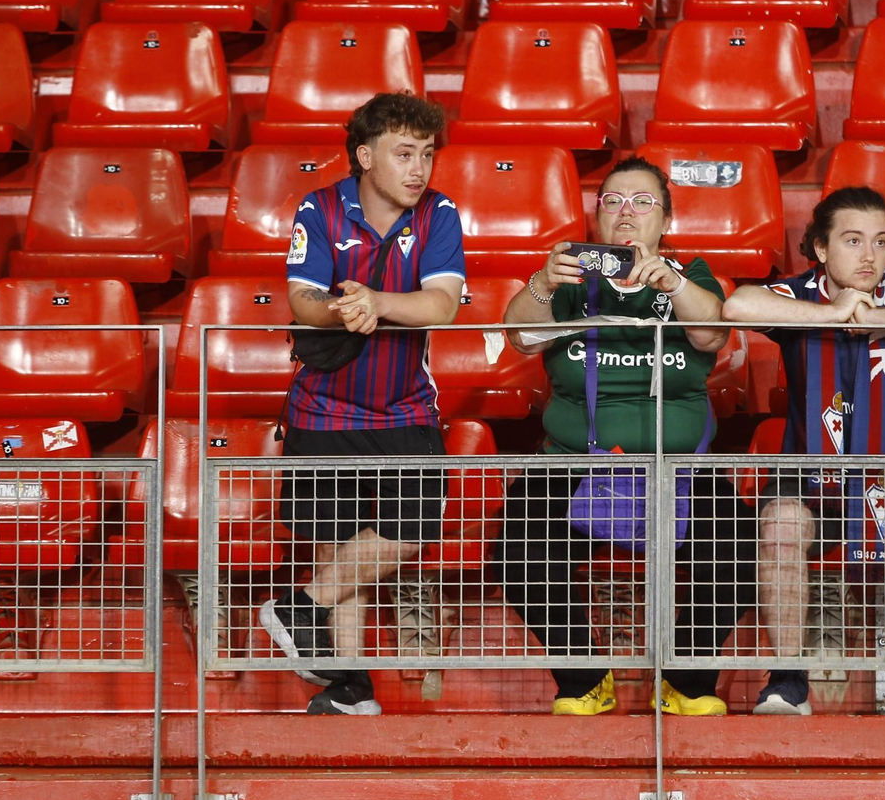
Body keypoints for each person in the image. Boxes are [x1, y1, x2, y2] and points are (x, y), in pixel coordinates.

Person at [495, 156, 756, 716]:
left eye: (642, 202)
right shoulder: (567, 279)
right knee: (520, 549)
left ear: (666, 218)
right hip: (573, 463)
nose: (626, 213)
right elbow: (520, 337)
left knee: (737, 546)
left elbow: (712, 332)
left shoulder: (692, 274)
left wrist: (674, 282)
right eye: (611, 201)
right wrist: (542, 283)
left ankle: (685, 678)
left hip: (678, 466)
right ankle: (585, 679)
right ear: (596, 218)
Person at [723, 186, 885, 715]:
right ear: (820, 248)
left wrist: (878, 321)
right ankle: (788, 676)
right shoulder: (800, 293)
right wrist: (833, 315)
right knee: (781, 527)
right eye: (853, 240)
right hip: (812, 475)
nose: (869, 256)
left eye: (880, 242)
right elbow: (737, 303)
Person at [259, 92, 465, 716]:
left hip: (405, 408)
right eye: (405, 154)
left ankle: (296, 608)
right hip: (323, 410)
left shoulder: (439, 214)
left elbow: (442, 304)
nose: (418, 169)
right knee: (335, 543)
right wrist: (342, 310)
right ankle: (348, 688)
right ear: (364, 155)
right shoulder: (318, 209)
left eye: (426, 155)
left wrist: (375, 302)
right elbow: (301, 301)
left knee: (410, 531)